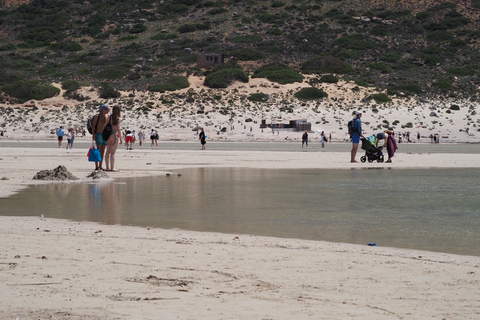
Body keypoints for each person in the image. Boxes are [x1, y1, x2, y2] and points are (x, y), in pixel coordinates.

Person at [91, 104, 110, 171]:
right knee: (97, 150)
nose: (108, 110)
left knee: (103, 150)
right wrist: (93, 135)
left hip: (104, 135)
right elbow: (93, 126)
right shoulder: (97, 116)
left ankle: (100, 166)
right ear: (103, 109)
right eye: (107, 109)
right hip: (98, 134)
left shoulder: (107, 117)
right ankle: (96, 166)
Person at [105, 105, 123, 172]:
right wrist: (121, 138)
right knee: (113, 153)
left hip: (108, 135)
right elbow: (118, 129)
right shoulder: (117, 118)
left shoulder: (109, 117)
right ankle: (112, 168)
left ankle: (107, 167)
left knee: (107, 152)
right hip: (114, 135)